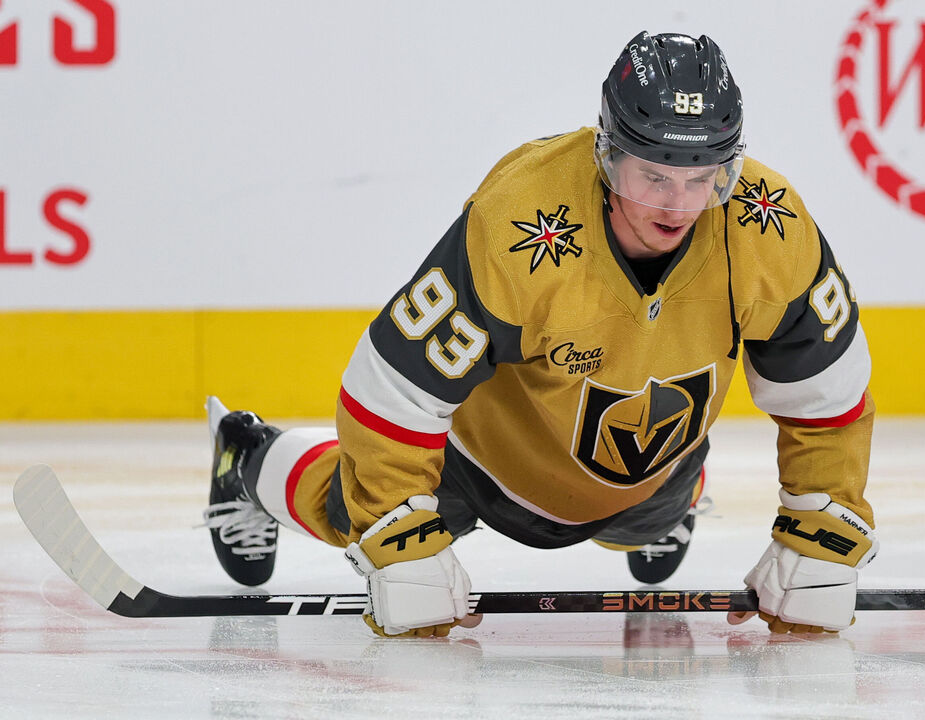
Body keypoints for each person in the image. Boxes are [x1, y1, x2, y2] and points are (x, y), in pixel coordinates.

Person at [201, 31, 879, 638]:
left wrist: (822, 523)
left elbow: (828, 395)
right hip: (482, 460)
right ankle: (247, 456)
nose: (678, 206)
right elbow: (396, 387)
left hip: (655, 468)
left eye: (703, 178)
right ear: (608, 154)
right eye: (655, 176)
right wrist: (398, 535)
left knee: (644, 514)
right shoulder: (521, 220)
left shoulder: (769, 224)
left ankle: (669, 501)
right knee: (348, 507)